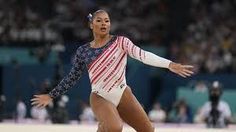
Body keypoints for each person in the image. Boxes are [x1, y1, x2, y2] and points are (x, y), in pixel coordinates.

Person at [31, 10, 194, 132]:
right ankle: (105, 125)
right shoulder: (84, 51)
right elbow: (72, 77)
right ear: (91, 25)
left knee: (148, 130)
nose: (104, 24)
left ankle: (102, 128)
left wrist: (169, 64)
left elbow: (143, 55)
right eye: (99, 21)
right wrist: (51, 95)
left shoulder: (121, 42)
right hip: (100, 96)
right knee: (115, 128)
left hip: (123, 93)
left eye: (107, 21)